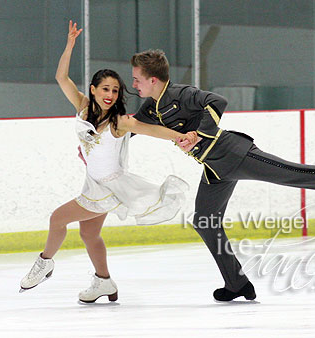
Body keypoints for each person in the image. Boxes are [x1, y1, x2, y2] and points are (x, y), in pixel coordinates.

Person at [130, 49, 315, 302]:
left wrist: (199, 133)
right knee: (205, 221)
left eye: (137, 80)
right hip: (215, 168)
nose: (134, 85)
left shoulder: (181, 93)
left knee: (297, 174)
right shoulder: (151, 107)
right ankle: (237, 283)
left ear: (153, 79)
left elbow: (217, 101)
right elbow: (129, 127)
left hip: (235, 154)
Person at [19, 22, 196, 303]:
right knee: (89, 234)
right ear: (93, 89)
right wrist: (69, 45)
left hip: (106, 188)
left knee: (57, 219)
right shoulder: (82, 106)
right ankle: (104, 282)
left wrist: (179, 136)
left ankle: (45, 262)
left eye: (115, 90)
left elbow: (152, 130)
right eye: (105, 89)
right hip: (94, 181)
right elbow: (61, 77)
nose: (110, 95)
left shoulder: (120, 122)